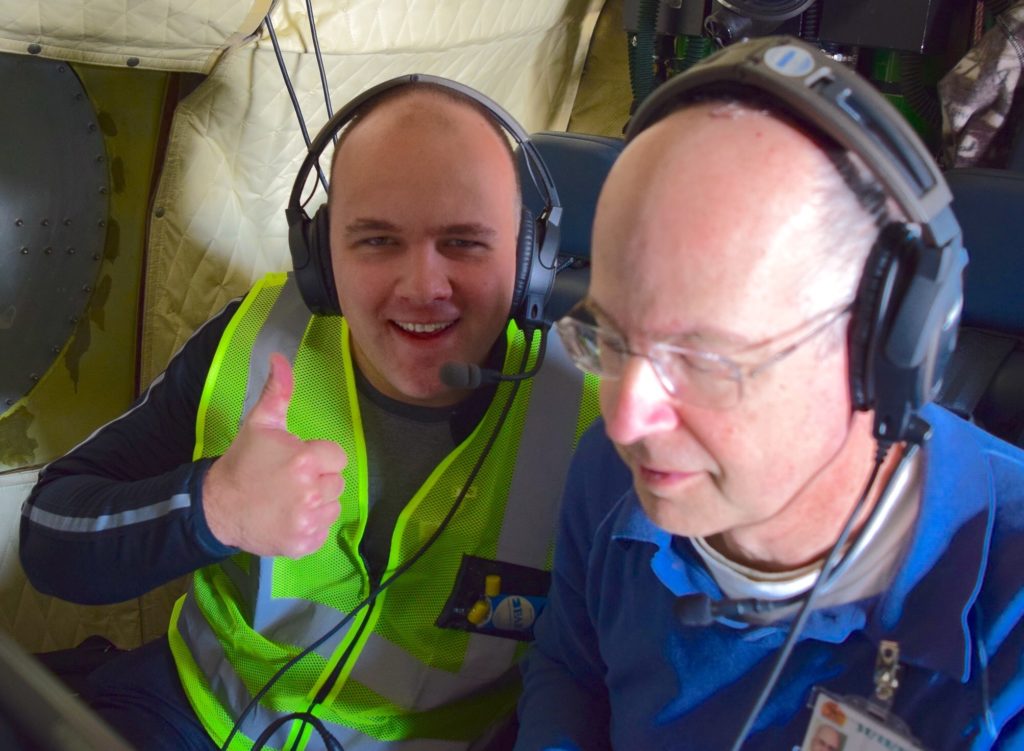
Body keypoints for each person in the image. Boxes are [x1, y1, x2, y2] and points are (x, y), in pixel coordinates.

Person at [20, 78, 599, 751]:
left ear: (531, 260)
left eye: (466, 242)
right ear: (322, 257)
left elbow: (603, 675)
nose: (422, 287)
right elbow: (50, 534)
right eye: (377, 240)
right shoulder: (256, 340)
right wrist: (211, 509)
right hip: (193, 716)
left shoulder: (592, 416)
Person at [514, 38, 1024, 750]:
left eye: (706, 357)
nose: (625, 415)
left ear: (883, 351)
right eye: (610, 337)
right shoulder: (609, 475)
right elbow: (572, 670)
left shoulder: (1008, 603)